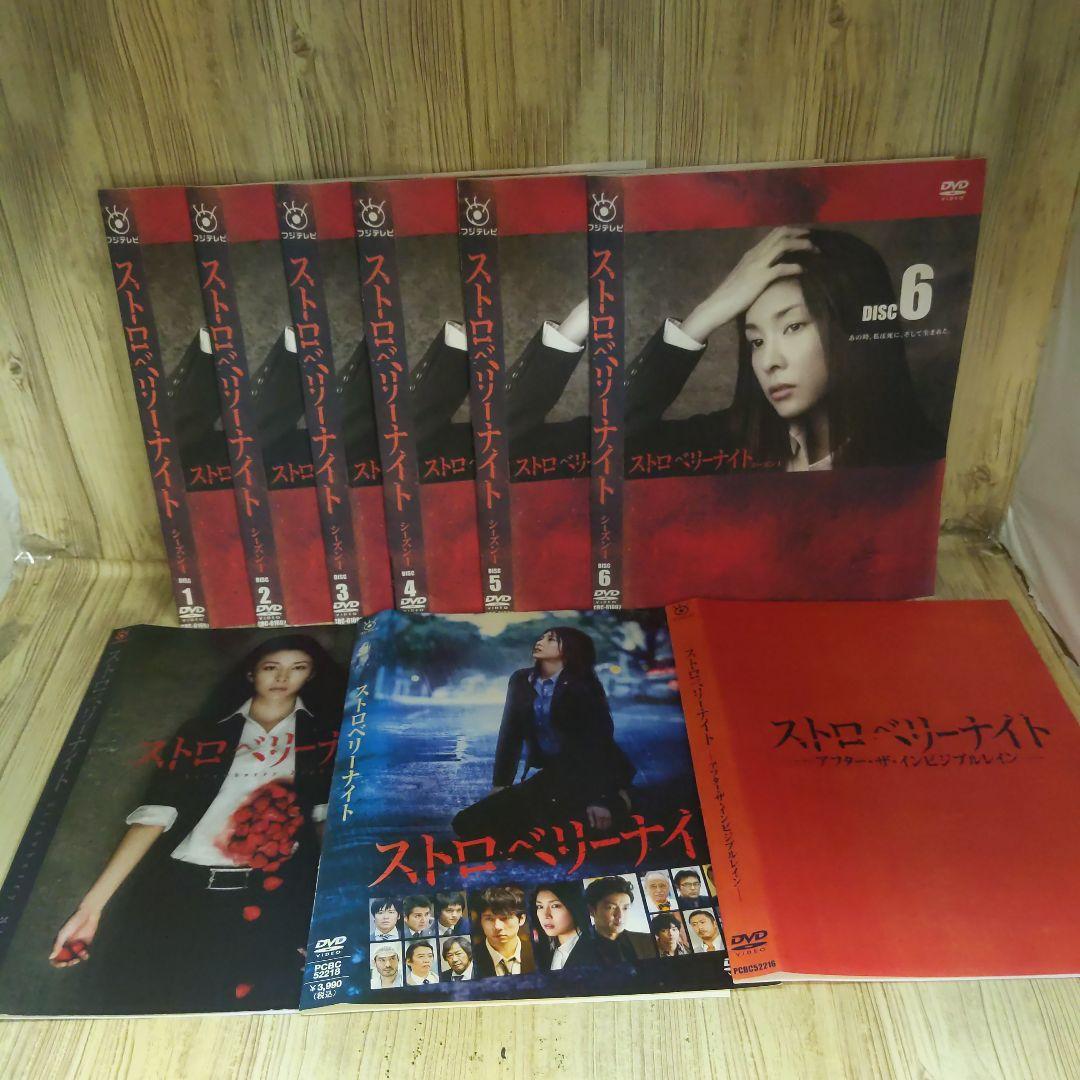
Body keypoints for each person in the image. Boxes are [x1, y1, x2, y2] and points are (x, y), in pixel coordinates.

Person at [48, 634, 345, 1012]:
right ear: (251, 672)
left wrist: (334, 905)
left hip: (278, 897)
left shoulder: (323, 737)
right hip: (184, 893)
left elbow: (324, 822)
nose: (283, 678)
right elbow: (155, 817)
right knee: (170, 999)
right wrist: (91, 908)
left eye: (297, 668)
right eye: (272, 667)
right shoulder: (202, 733)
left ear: (311, 674)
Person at [624, 227, 943, 471]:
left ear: (851, 327)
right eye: (757, 342)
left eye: (793, 327)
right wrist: (705, 315)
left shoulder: (922, 465)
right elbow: (605, 446)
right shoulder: (730, 445)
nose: (768, 362)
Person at [452, 627, 636, 844]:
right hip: (553, 774)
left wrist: (601, 799)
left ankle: (619, 799)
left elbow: (598, 744)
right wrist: (501, 783)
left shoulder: (583, 685)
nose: (540, 641)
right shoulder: (521, 680)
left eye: (551, 640)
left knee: (572, 828)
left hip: (590, 772)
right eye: (541, 637)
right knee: (466, 823)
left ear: (569, 650)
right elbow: (510, 732)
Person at [530, 883, 602, 972]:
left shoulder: (594, 950)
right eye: (540, 907)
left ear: (573, 906)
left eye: (555, 906)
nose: (546, 915)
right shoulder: (543, 954)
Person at [583, 876, 655, 963]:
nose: (620, 915)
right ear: (591, 911)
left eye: (625, 908)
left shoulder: (649, 940)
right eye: (610, 907)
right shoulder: (581, 950)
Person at [470, 886, 536, 977]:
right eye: (489, 919)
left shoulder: (539, 953)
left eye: (505, 918)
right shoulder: (469, 958)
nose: (497, 926)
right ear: (480, 921)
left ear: (521, 919)